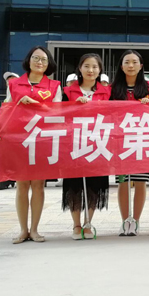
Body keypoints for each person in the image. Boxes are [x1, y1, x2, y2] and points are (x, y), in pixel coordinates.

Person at [0, 46, 62, 244]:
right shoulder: (14, 84)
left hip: (42, 139)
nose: (39, 62)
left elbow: (57, 112)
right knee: (21, 185)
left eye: (44, 59)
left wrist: (38, 105)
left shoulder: (54, 85)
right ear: (28, 60)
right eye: (36, 58)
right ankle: (23, 230)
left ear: (49, 64)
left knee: (38, 185)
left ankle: (35, 229)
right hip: (18, 139)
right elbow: (6, 107)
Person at [61, 54, 111, 240]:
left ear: (100, 70)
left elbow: (115, 113)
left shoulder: (108, 92)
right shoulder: (67, 91)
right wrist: (73, 106)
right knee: (74, 184)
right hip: (73, 143)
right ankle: (76, 225)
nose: (91, 70)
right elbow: (59, 114)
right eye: (87, 66)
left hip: (98, 143)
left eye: (95, 67)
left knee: (94, 184)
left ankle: (88, 223)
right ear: (80, 68)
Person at [109, 50, 149, 236]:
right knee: (123, 181)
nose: (130, 65)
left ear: (141, 66)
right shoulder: (113, 89)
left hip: (141, 139)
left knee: (140, 181)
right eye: (127, 62)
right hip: (120, 141)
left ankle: (135, 221)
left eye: (135, 62)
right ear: (121, 66)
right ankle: (124, 220)